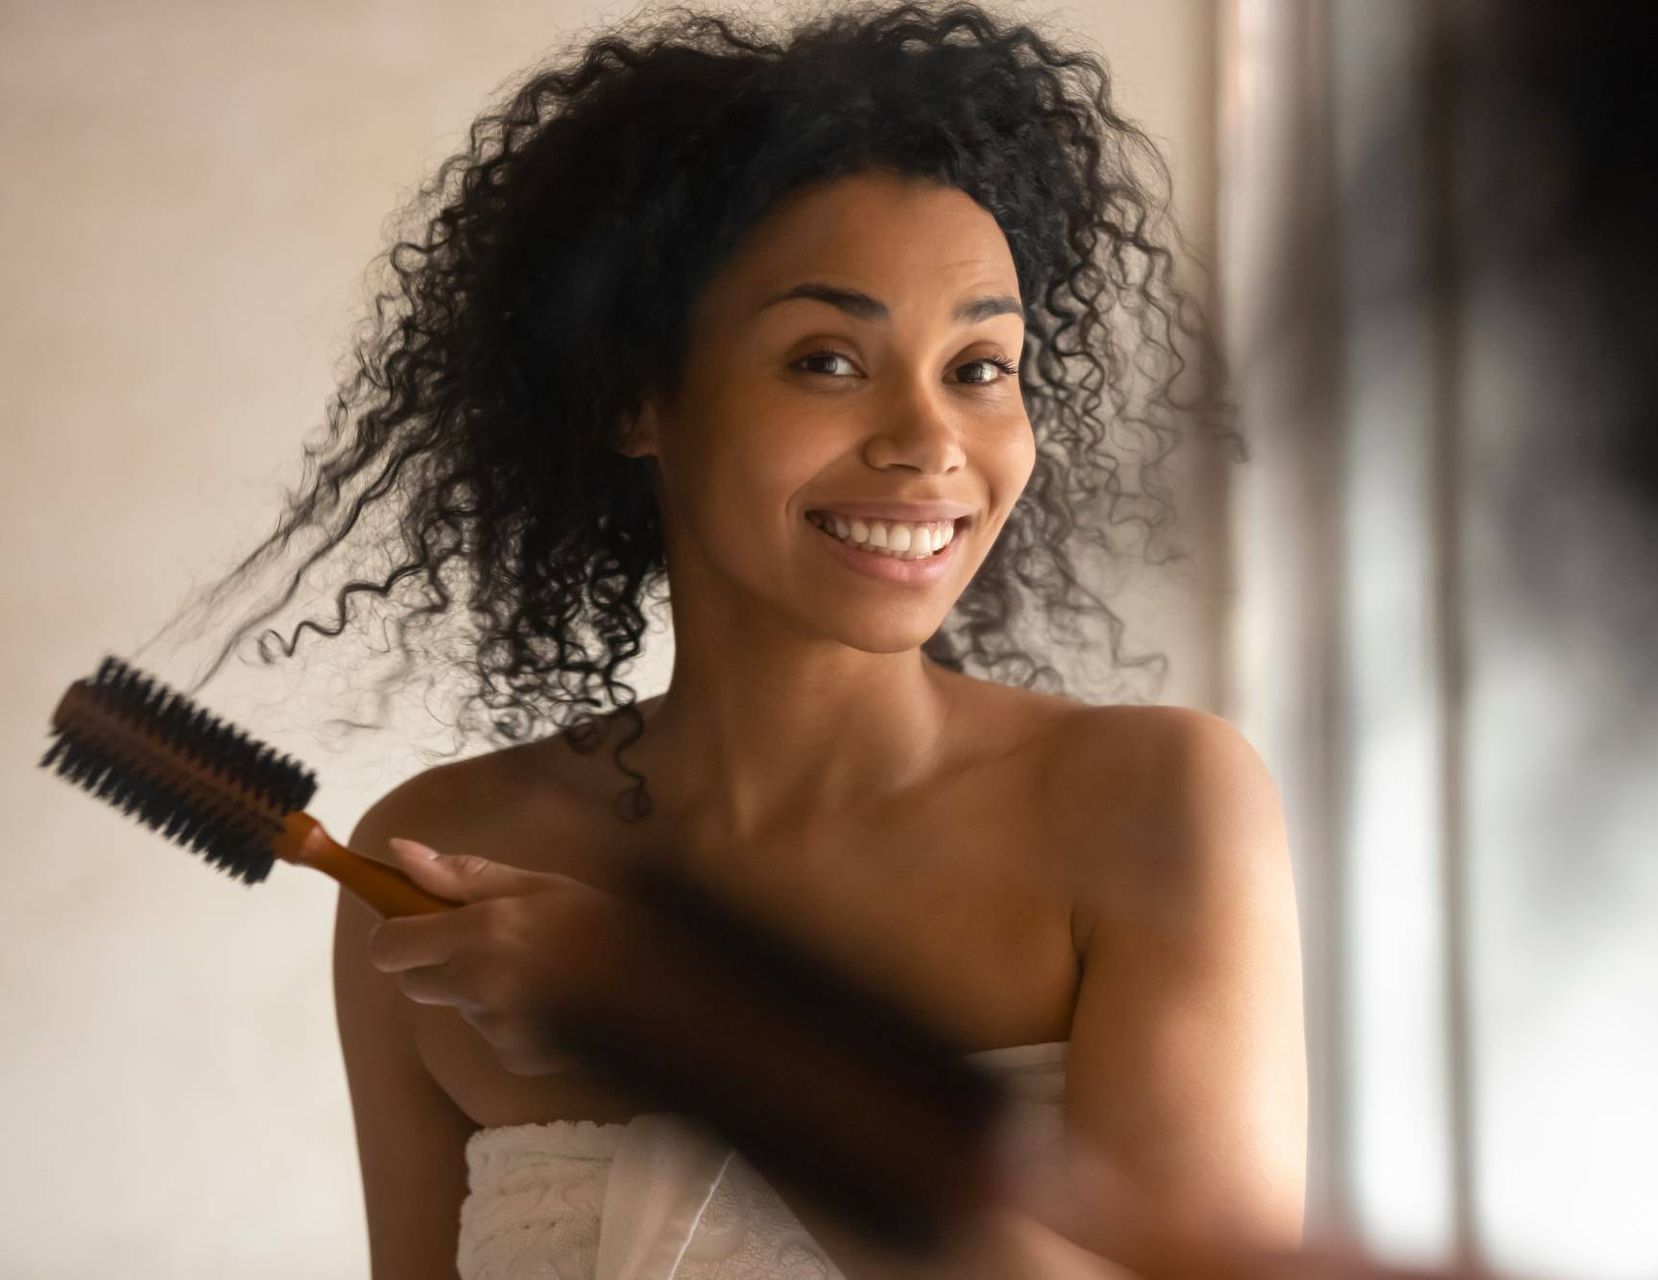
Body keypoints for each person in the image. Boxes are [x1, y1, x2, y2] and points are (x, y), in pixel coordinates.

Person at [148, 3, 1308, 1276]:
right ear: (636, 396)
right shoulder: (439, 863)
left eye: (981, 365)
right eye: (825, 358)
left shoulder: (1149, 807)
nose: (929, 441)